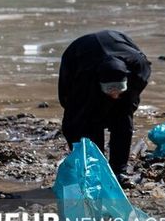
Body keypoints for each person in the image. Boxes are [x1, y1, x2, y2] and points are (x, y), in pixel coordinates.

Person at [58, 30, 151, 178]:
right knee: (87, 120)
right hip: (81, 58)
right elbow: (69, 103)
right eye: (109, 90)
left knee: (123, 120)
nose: (115, 95)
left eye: (119, 89)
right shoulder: (84, 79)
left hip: (117, 43)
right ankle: (94, 167)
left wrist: (125, 102)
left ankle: (119, 169)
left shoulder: (138, 67)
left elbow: (133, 95)